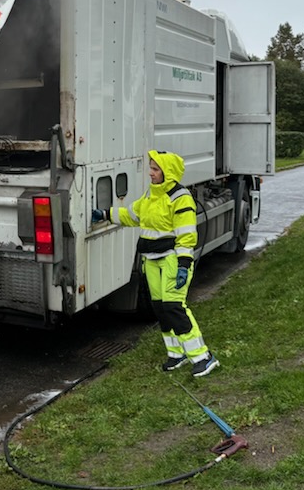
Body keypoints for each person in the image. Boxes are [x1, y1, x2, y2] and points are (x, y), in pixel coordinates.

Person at [91, 150, 219, 378]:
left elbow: (186, 235)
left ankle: (203, 357)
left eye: (155, 169)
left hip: (172, 261)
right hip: (151, 260)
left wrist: (183, 265)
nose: (150, 173)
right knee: (160, 309)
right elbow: (132, 215)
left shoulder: (180, 198)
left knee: (174, 307)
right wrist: (105, 214)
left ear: (167, 172)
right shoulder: (152, 194)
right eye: (150, 168)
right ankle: (176, 354)